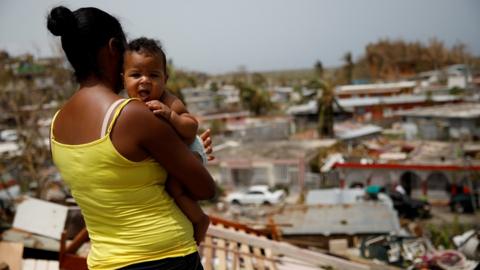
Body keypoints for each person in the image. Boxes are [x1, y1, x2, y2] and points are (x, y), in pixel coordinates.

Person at [47, 6, 215, 270]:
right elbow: (205, 188)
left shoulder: (56, 124)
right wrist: (192, 158)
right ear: (114, 49)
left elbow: (119, 179)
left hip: (105, 263)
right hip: (165, 258)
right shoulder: (131, 115)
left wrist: (183, 151)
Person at [123, 37, 210, 244]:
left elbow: (191, 128)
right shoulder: (128, 105)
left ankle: (200, 220)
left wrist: (171, 116)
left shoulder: (169, 101)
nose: (145, 80)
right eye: (136, 75)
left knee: (173, 187)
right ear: (123, 79)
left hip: (191, 153)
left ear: (165, 79)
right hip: (173, 157)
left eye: (153, 75)